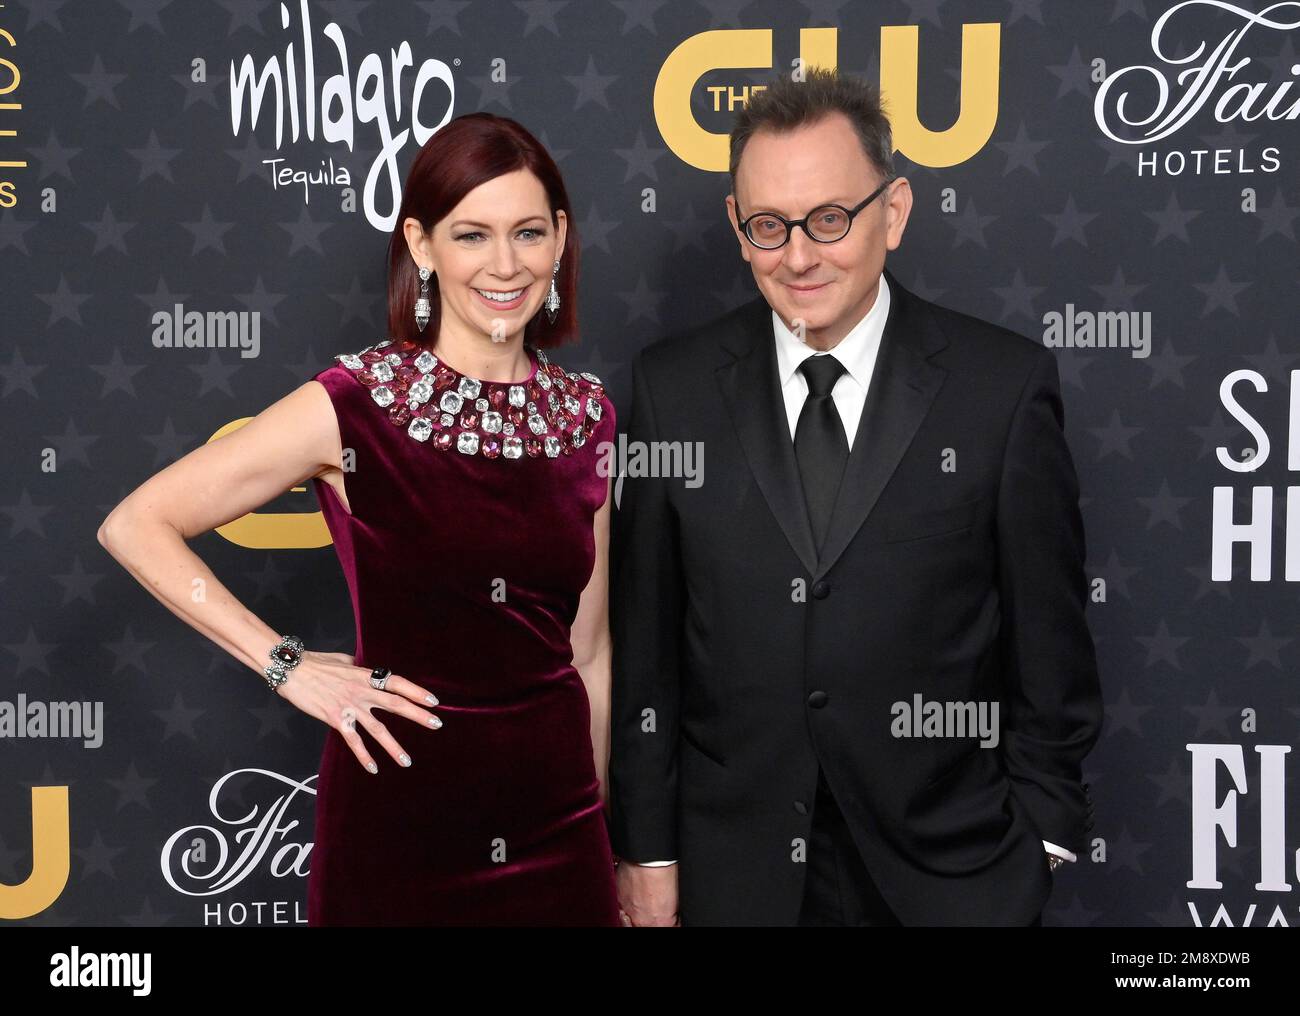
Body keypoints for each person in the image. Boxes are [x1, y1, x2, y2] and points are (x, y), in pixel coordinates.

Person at [97, 112, 622, 926]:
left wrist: (599, 828)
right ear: (422, 245)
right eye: (472, 235)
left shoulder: (588, 417)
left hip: (558, 827)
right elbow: (137, 524)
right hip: (398, 818)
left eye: (527, 232)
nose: (506, 265)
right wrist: (287, 666)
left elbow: (586, 653)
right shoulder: (352, 406)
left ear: (559, 238)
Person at [609, 68, 1101, 926]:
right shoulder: (670, 390)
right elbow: (647, 654)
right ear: (737, 227)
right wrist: (648, 853)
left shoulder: (1002, 389)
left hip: (949, 876)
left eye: (830, 219)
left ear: (895, 212)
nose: (799, 255)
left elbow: (1051, 654)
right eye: (769, 225)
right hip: (734, 881)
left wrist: (1040, 845)